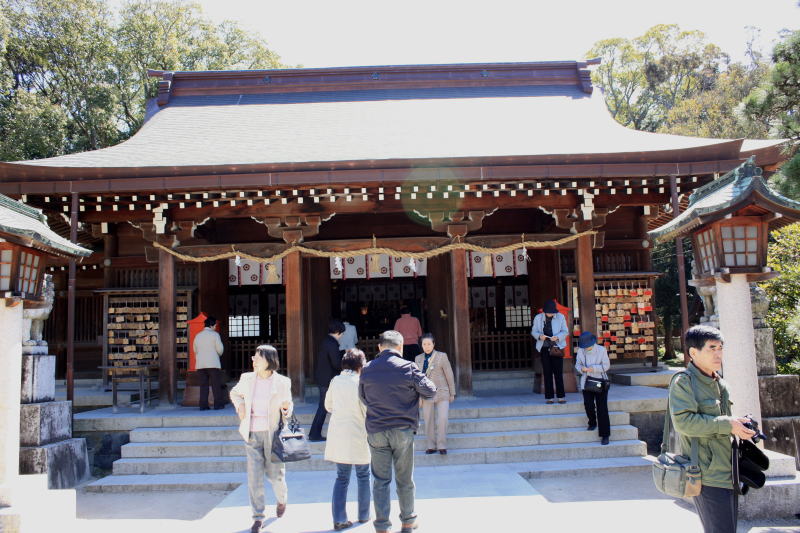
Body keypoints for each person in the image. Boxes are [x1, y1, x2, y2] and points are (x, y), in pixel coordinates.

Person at [669, 325, 756, 533]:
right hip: (706, 474)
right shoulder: (683, 382)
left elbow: (722, 420)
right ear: (693, 352)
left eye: (720, 348)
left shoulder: (719, 383)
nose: (718, 354)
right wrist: (728, 424)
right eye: (711, 348)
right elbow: (684, 422)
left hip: (729, 469)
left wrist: (740, 424)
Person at [359, 330, 436, 533]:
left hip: (376, 429)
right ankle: (408, 521)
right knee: (404, 479)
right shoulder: (408, 367)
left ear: (379, 347)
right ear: (400, 347)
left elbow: (363, 397)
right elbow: (430, 390)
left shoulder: (367, 369)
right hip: (402, 428)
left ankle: (382, 525)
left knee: (380, 480)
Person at [229, 345, 293, 533]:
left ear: (269, 360)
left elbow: (289, 406)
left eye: (257, 357)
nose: (254, 360)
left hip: (273, 435)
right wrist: (240, 405)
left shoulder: (282, 382)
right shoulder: (247, 379)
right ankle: (258, 517)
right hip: (252, 434)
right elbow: (234, 393)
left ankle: (282, 499)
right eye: (254, 357)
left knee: (276, 477)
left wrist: (286, 409)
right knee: (254, 477)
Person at [324, 349, 371, 530]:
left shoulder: (335, 381)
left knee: (342, 477)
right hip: (358, 432)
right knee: (363, 475)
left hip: (339, 434)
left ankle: (339, 518)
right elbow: (366, 409)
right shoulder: (360, 382)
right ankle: (364, 515)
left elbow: (328, 406)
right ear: (359, 364)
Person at [414, 333, 456, 454]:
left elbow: (449, 374)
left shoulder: (442, 356)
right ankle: (431, 445)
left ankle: (442, 445)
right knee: (428, 420)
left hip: (442, 392)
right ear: (421, 345)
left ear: (434, 344)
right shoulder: (418, 358)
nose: (427, 346)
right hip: (426, 393)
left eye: (429, 344)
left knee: (443, 418)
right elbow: (416, 379)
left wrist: (452, 393)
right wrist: (417, 396)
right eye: (424, 344)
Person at [310, 319, 346, 442]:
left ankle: (314, 433)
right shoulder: (332, 343)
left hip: (323, 377)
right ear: (338, 332)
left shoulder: (327, 341)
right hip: (327, 379)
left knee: (324, 406)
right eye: (341, 333)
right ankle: (314, 434)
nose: (342, 336)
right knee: (323, 407)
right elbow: (336, 363)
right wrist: (346, 364)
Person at [575, 332, 611, 445]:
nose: (586, 348)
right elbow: (577, 364)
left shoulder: (601, 350)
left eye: (588, 345)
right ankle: (592, 422)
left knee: (602, 408)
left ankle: (605, 435)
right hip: (587, 382)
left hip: (600, 381)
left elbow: (606, 366)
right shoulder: (580, 351)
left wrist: (592, 369)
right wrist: (581, 369)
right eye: (584, 346)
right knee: (588, 405)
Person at [530, 299, 569, 404]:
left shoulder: (561, 317)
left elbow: (565, 331)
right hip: (544, 347)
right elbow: (534, 331)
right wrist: (539, 336)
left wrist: (558, 337)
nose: (550, 314)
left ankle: (561, 396)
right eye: (548, 312)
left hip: (556, 347)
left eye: (552, 312)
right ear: (544, 311)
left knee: (558, 373)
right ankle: (549, 397)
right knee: (547, 373)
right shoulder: (538, 318)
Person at [193, 315, 225, 410]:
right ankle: (218, 405)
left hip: (201, 364)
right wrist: (217, 354)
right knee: (216, 385)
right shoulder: (215, 335)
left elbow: (195, 350)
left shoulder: (198, 336)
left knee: (203, 386)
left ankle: (203, 406)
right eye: (215, 325)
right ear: (211, 325)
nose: (215, 327)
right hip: (213, 363)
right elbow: (220, 349)